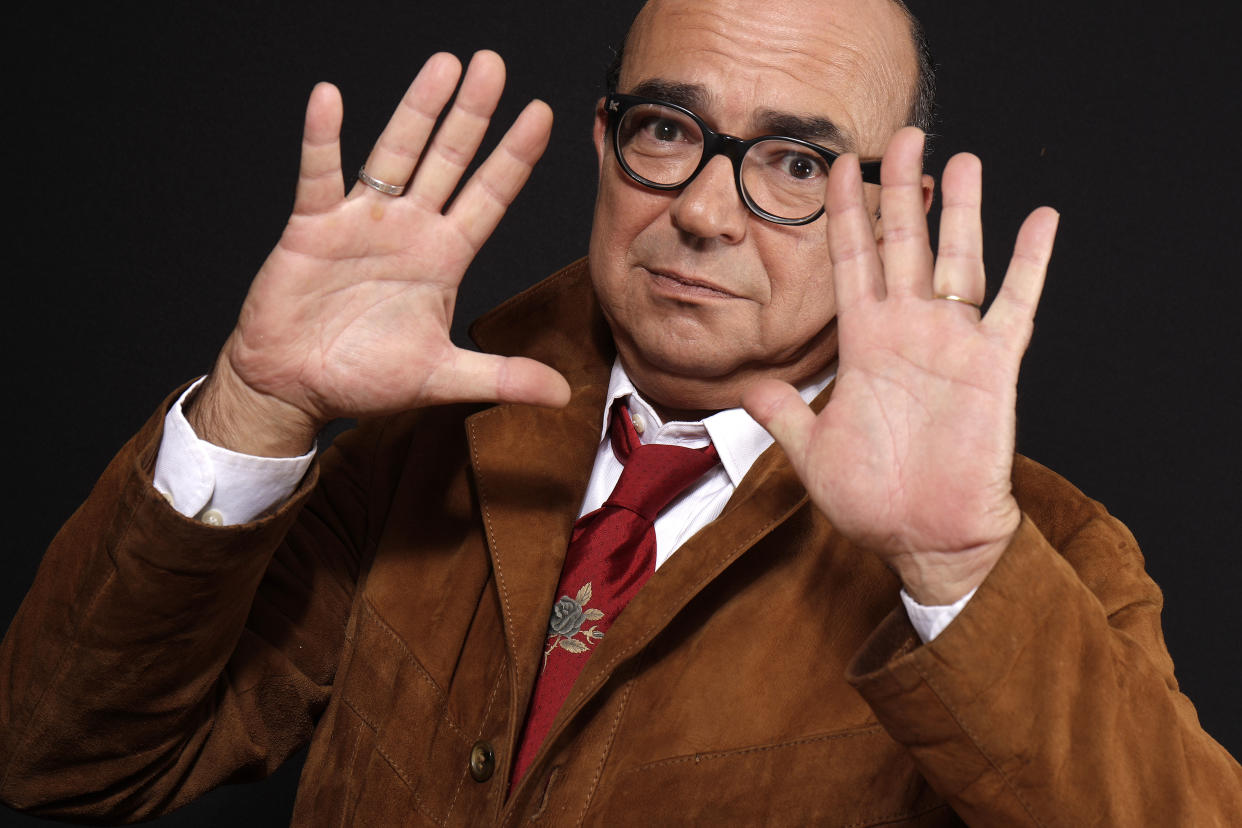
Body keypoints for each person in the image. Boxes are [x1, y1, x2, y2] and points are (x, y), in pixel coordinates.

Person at [2, 0, 1239, 824]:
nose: (704, 211)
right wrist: (256, 404)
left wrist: (955, 571)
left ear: (883, 206)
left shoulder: (1045, 561)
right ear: (606, 146)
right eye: (668, 130)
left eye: (797, 163)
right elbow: (66, 763)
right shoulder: (426, 441)